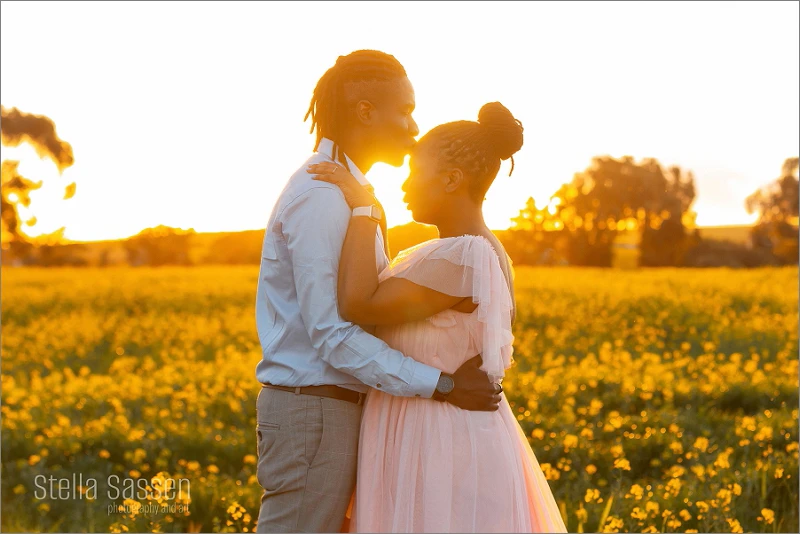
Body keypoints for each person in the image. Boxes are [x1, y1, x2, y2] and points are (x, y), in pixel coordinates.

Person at [254, 50, 502, 533]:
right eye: (405, 110)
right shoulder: (324, 195)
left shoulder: (350, 191)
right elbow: (333, 333)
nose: (413, 128)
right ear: (365, 111)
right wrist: (444, 385)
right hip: (315, 410)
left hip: (329, 410)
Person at [308, 101, 568, 533]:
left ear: (451, 179)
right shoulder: (480, 251)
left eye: (414, 171)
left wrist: (365, 208)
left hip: (436, 438)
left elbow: (358, 305)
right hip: (434, 427)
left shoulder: (463, 255)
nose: (405, 185)